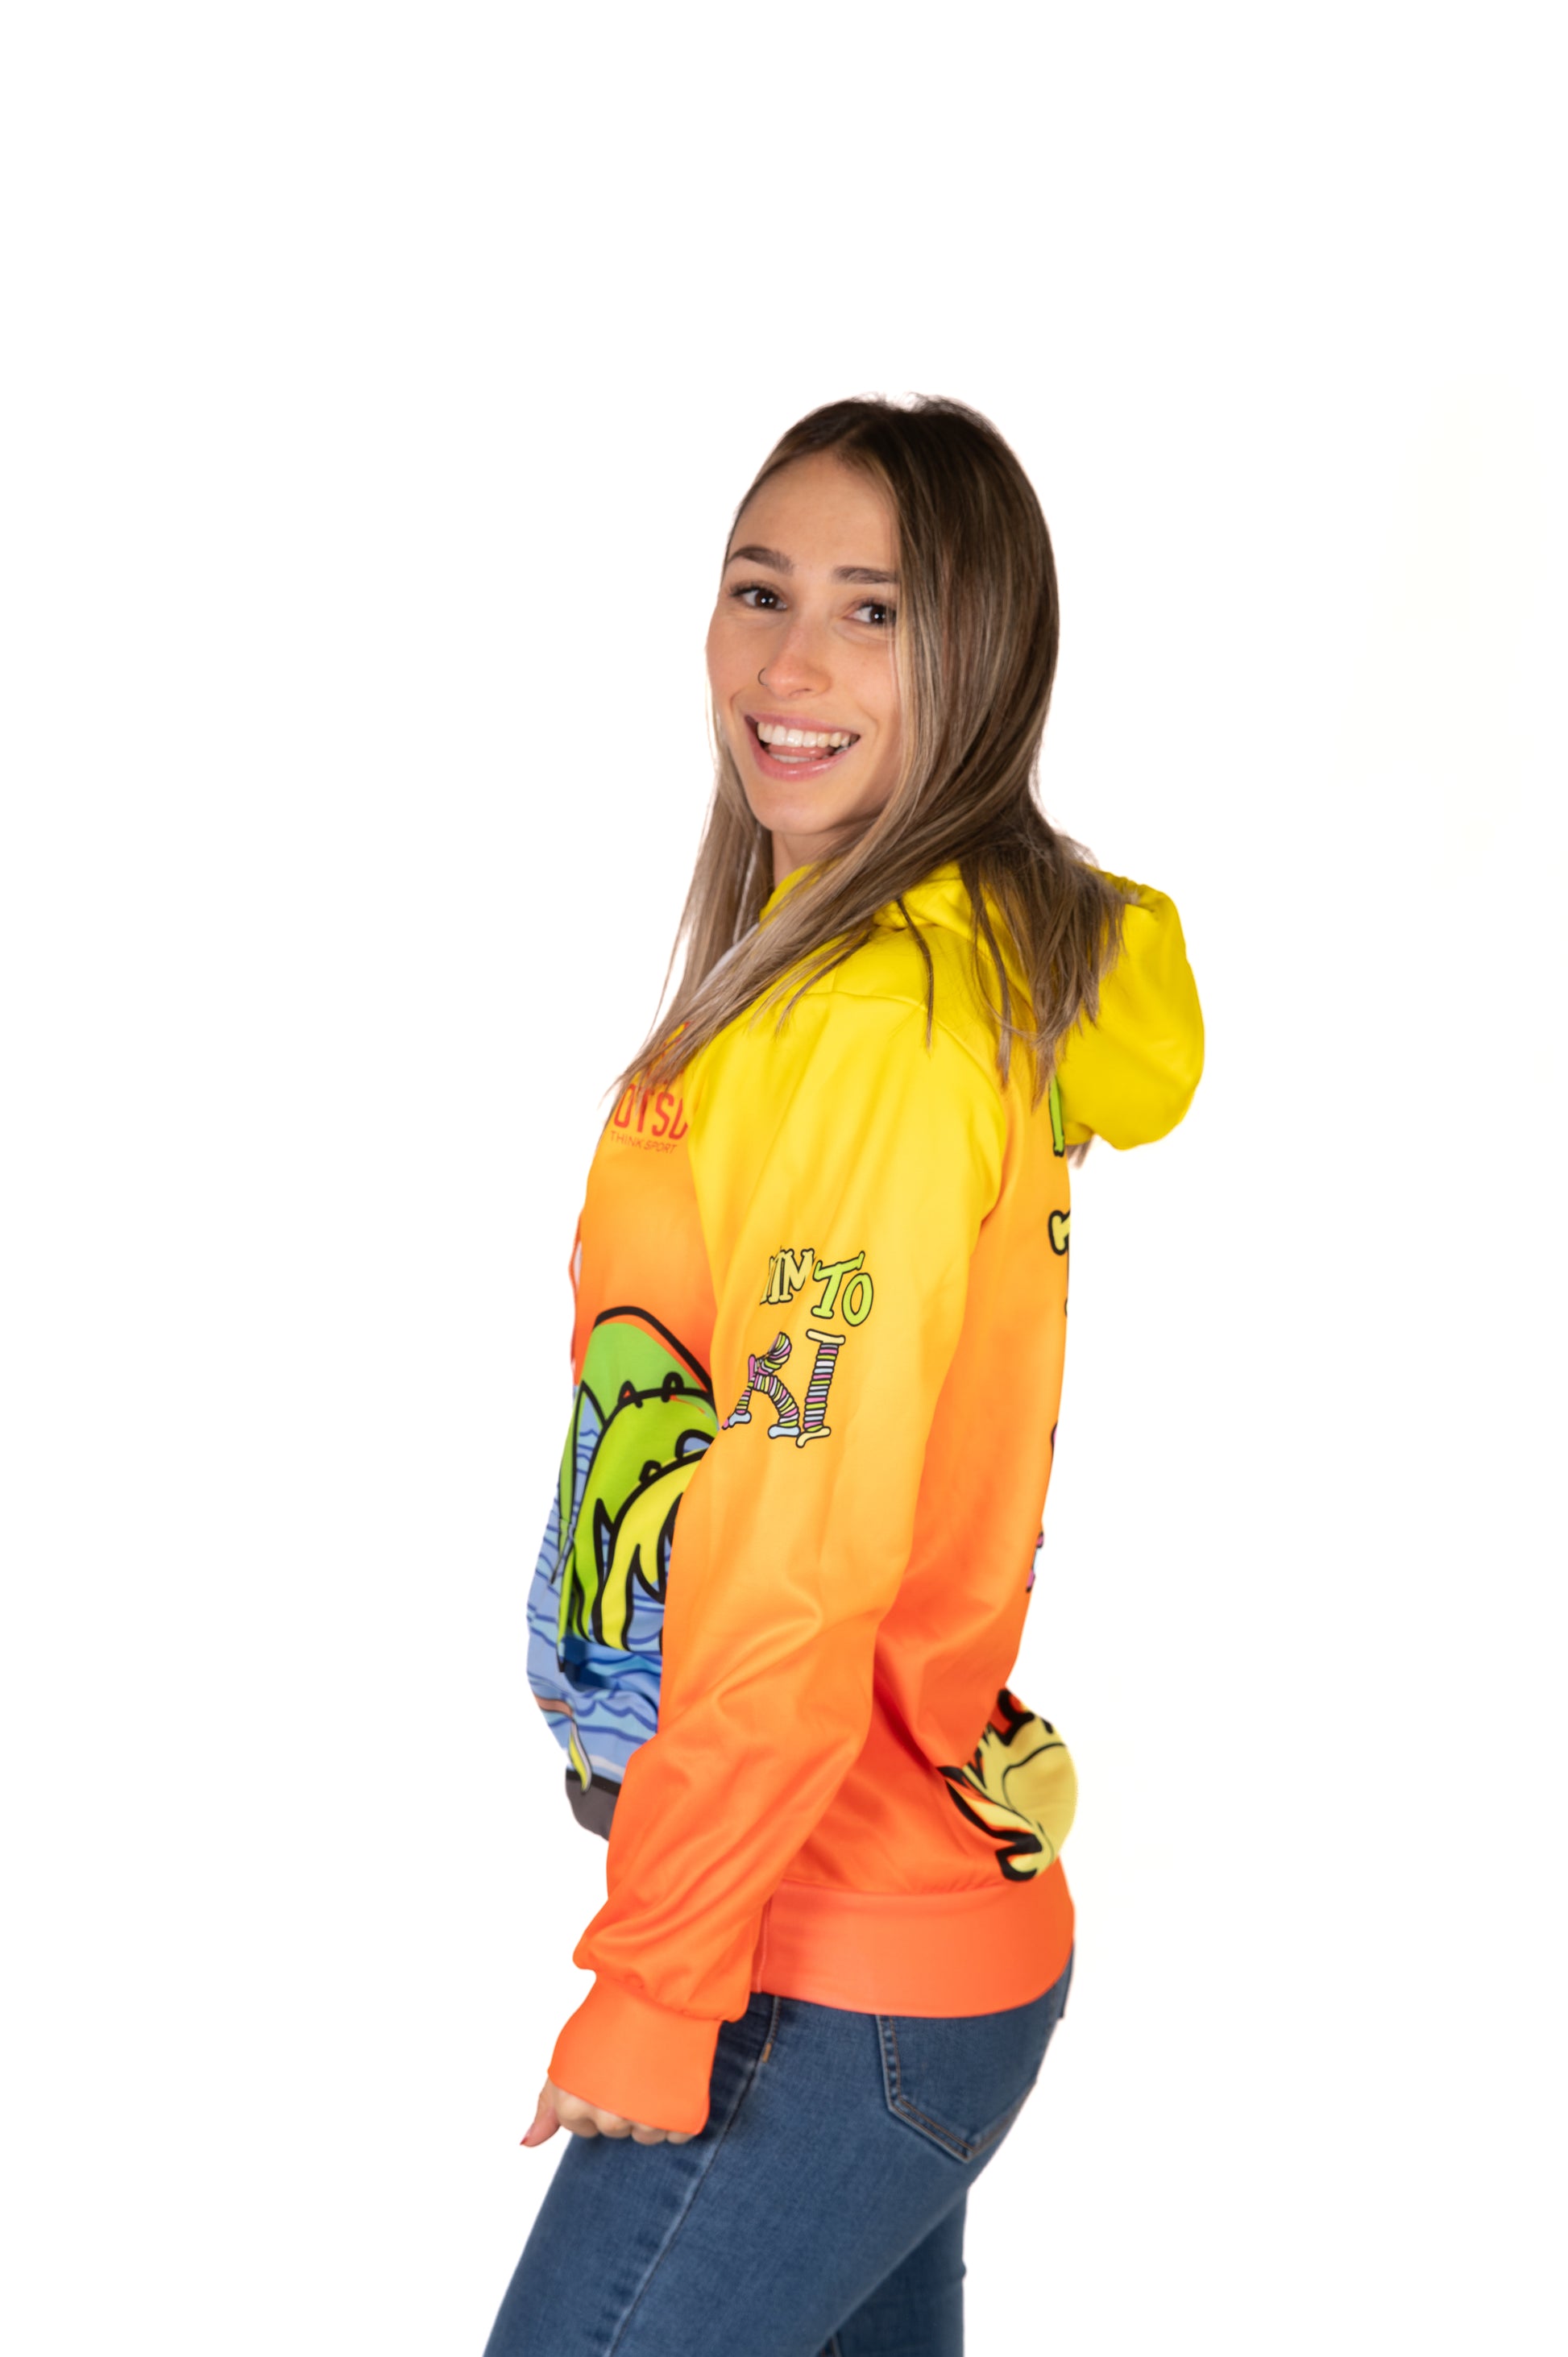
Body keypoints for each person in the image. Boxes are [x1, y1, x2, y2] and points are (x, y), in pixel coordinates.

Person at [482, 396, 1203, 2356]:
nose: (790, 664)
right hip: (877, 1926)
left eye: (872, 611)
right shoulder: (847, 972)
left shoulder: (882, 1020)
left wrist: (657, 1978)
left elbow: (795, 1550)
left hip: (826, 1955)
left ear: (980, 655)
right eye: (760, 590)